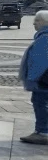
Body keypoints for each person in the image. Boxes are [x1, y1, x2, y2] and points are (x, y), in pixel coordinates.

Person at [19, 10, 48, 145]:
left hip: (43, 80)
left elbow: (39, 62)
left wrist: (32, 79)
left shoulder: (44, 38)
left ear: (45, 22)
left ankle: (42, 132)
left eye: (37, 20)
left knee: (40, 103)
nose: (34, 23)